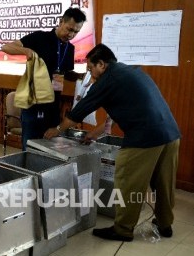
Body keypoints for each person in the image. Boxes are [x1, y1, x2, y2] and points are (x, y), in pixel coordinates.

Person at [44, 44, 181, 242]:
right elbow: (119, 113)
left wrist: (56, 130)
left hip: (145, 138)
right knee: (164, 183)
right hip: (170, 134)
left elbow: (78, 112)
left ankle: (123, 230)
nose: (90, 74)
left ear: (102, 64)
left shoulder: (108, 80)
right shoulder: (130, 71)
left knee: (127, 179)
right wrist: (94, 133)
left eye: (90, 69)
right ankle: (165, 224)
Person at [1, 7, 86, 149]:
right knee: (30, 144)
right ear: (60, 22)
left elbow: (65, 73)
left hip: (53, 105)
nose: (71, 34)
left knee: (49, 145)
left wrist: (80, 76)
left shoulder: (69, 49)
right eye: (69, 29)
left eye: (76, 32)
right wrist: (25, 50)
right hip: (34, 103)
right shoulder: (40, 37)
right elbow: (6, 47)